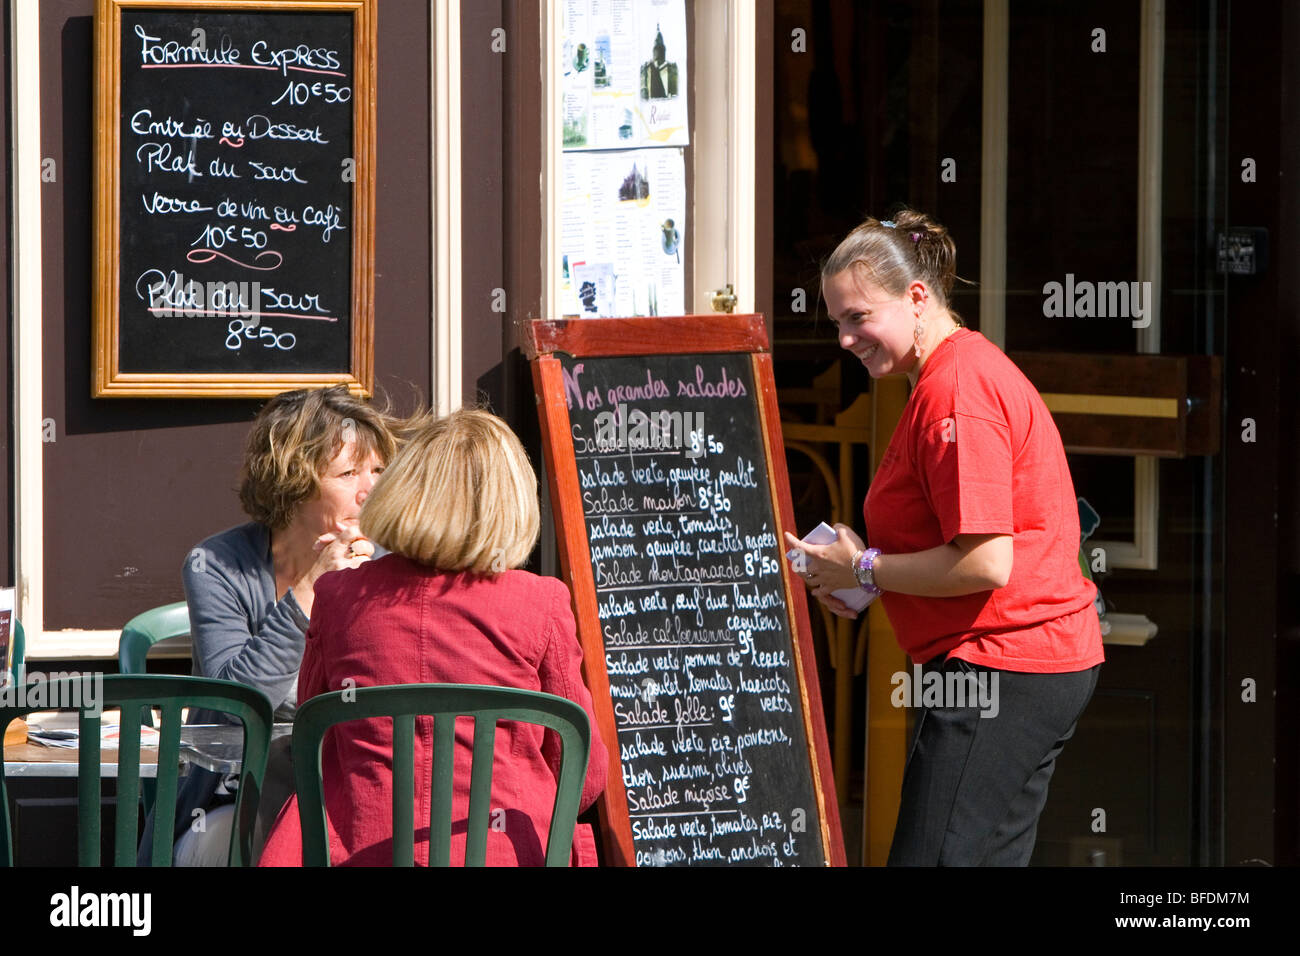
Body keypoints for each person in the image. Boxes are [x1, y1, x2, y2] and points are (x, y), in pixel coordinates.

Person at [784, 210, 1104, 866]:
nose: (845, 339)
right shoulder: (945, 379)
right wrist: (860, 572)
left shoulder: (957, 391)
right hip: (1026, 659)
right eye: (837, 320)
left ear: (918, 298)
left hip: (1002, 662)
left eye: (858, 316)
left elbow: (987, 561)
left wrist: (866, 568)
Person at [257, 408, 608, 866]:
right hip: (504, 853)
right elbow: (583, 775)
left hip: (358, 851)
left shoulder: (338, 595)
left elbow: (316, 735)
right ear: (513, 502)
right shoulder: (540, 602)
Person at [146, 385, 402, 866]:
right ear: (293, 482)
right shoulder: (218, 564)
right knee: (214, 844)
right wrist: (312, 586)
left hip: (351, 790)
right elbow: (233, 705)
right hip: (240, 794)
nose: (372, 490)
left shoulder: (393, 563)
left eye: (378, 470)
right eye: (349, 473)